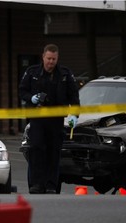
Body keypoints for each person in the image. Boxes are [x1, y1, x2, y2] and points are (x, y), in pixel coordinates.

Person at [19, 44, 80, 194]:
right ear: (43, 57)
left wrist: (74, 115)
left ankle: (51, 185)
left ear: (57, 58)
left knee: (54, 152)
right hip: (37, 119)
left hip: (56, 119)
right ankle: (36, 185)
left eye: (53, 59)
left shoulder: (65, 74)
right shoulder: (32, 72)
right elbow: (22, 90)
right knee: (37, 150)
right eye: (48, 58)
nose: (51, 62)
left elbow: (74, 96)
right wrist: (31, 98)